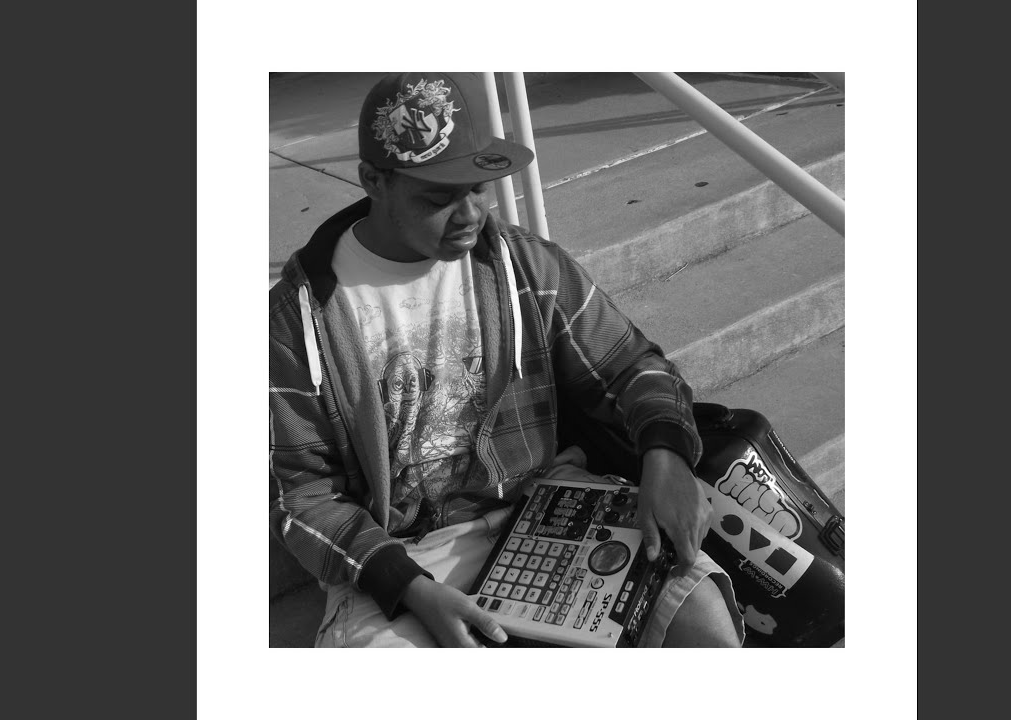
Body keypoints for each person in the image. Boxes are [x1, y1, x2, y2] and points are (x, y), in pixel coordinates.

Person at [270, 72, 744, 648]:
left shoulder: (525, 266)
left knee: (703, 624)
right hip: (403, 553)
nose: (470, 214)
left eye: (479, 188)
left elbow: (629, 365)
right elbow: (303, 497)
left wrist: (666, 454)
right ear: (373, 180)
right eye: (439, 198)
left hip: (549, 506)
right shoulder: (296, 320)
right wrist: (405, 585)